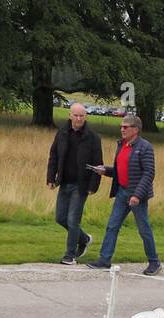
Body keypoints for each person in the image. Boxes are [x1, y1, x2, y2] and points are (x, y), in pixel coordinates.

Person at [87, 113, 161, 275]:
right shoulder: (122, 145)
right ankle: (104, 260)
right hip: (122, 192)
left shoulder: (145, 147)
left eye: (125, 127)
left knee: (143, 228)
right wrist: (105, 170)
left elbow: (149, 173)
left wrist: (137, 195)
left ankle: (154, 262)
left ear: (135, 130)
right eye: (121, 126)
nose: (122, 129)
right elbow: (120, 171)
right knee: (112, 225)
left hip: (136, 195)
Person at [47, 102, 104, 264]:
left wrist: (93, 186)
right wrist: (51, 178)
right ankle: (84, 239)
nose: (79, 119)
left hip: (81, 185)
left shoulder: (93, 138)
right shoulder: (62, 133)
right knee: (60, 218)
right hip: (64, 182)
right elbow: (54, 156)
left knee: (73, 220)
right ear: (70, 115)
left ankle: (70, 255)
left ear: (86, 117)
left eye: (82, 116)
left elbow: (98, 163)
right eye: (76, 115)